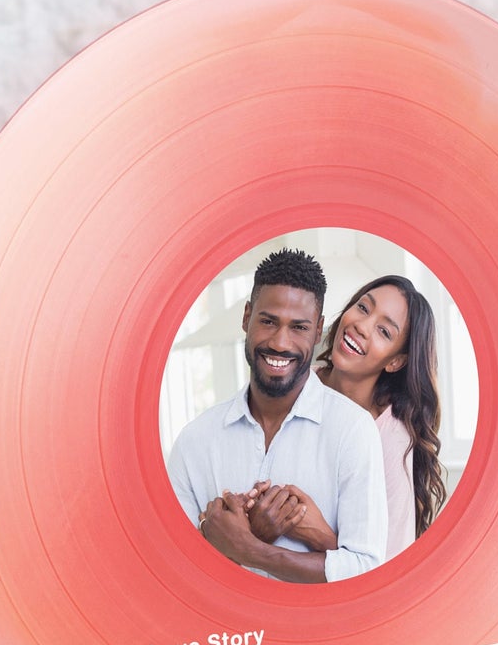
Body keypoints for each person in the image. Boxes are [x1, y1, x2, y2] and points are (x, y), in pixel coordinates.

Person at [165, 249, 387, 582]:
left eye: (299, 327)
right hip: (225, 619)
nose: (281, 343)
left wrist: (249, 549)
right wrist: (238, 538)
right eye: (268, 322)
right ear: (246, 317)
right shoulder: (195, 441)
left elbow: (365, 569)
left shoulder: (353, 430)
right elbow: (173, 570)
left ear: (318, 331)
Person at [312, 275, 448, 558]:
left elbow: (387, 563)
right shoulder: (296, 385)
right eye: (363, 308)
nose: (361, 326)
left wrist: (317, 535)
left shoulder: (391, 439)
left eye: (384, 331)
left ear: (395, 361)